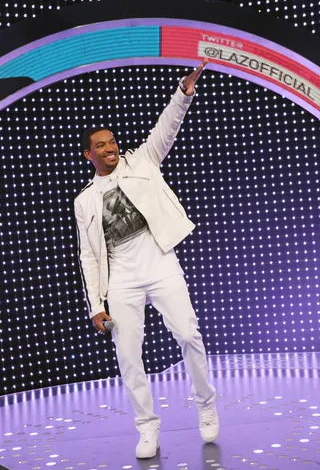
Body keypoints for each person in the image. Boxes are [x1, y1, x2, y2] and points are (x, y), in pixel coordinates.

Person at [74, 58, 219, 459]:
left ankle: (206, 405)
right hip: (120, 277)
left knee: (189, 335)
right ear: (88, 154)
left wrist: (183, 94)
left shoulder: (143, 161)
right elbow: (89, 255)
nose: (110, 148)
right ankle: (147, 427)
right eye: (100, 145)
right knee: (129, 354)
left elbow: (166, 127)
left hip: (160, 262)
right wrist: (95, 306)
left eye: (112, 141)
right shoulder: (84, 200)